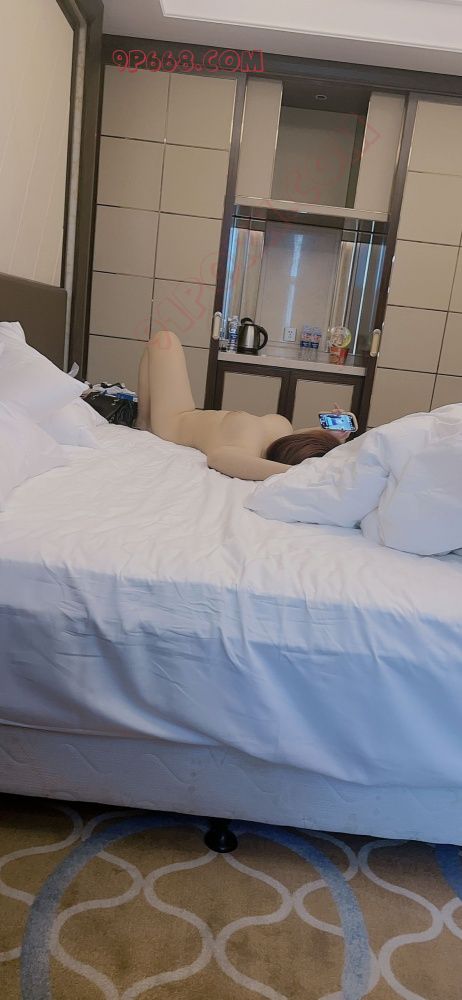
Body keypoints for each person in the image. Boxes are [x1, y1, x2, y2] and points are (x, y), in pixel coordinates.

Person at [137, 331, 351, 481]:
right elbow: (294, 440)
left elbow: (219, 458)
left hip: (174, 423)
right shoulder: (282, 434)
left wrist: (295, 473)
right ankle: (143, 422)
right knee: (162, 341)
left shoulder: (249, 447)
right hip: (189, 414)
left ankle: (144, 424)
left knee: (164, 339)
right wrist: (331, 434)